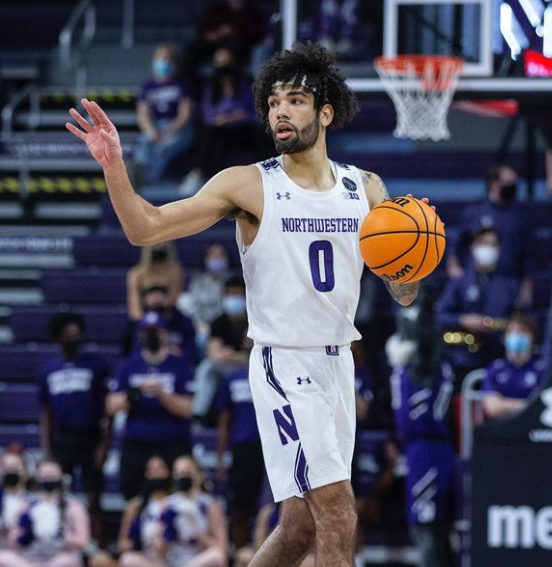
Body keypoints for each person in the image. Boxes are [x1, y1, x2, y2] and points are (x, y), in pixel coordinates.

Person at [67, 41, 426, 567]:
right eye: (274, 102)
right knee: (339, 510)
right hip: (284, 361)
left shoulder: (366, 188)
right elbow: (146, 228)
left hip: (338, 364)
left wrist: (412, 263)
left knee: (300, 527)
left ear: (325, 113)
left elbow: (403, 291)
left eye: (296, 100)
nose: (281, 111)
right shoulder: (249, 185)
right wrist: (114, 165)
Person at [387, 285, 456, 567]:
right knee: (429, 525)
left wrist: (425, 305)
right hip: (419, 450)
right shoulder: (403, 369)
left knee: (428, 526)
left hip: (430, 449)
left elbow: (428, 341)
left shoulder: (428, 367)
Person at [38, 312, 111, 546]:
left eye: (76, 333)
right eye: (68, 334)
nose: (73, 338)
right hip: (61, 439)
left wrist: (104, 445)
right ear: (58, 338)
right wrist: (47, 452)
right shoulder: (48, 370)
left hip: (89, 437)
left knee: (94, 498)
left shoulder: (96, 365)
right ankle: (59, 544)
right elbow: (45, 415)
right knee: (57, 497)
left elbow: (108, 410)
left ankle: (98, 549)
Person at [107, 311, 194, 500]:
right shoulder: (128, 365)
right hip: (137, 441)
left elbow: (188, 408)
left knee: (179, 494)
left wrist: (161, 393)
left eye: (156, 331)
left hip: (173, 440)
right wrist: (136, 393)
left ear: (165, 334)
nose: (152, 336)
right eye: (147, 332)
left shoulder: (180, 365)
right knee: (133, 495)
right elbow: (111, 405)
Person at [436, 227, 519, 384]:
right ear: (473, 247)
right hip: (462, 359)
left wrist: (502, 325)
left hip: (499, 358)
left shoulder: (509, 285)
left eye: (493, 244)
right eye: (483, 243)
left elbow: (521, 319)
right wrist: (463, 320)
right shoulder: (459, 282)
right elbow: (440, 315)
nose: (488, 249)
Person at [180, 46, 267, 196]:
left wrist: (239, 116)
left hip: (244, 128)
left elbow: (255, 112)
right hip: (220, 128)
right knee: (209, 134)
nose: (224, 66)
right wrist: (223, 118)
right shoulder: (211, 87)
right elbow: (208, 115)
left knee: (260, 133)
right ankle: (199, 173)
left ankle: (265, 175)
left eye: (227, 61)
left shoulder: (246, 84)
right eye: (220, 61)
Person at [446, 164, 533, 306]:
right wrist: (453, 265)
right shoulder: (475, 212)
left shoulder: (520, 218)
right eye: (508, 182)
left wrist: (527, 285)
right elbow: (457, 241)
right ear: (494, 184)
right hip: (475, 278)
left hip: (508, 279)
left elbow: (527, 254)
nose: (512, 187)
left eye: (514, 183)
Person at [0, 460, 90, 567]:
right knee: (3, 558)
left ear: (61, 477)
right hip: (29, 559)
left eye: (52, 475)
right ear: (38, 478)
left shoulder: (73, 505)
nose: (48, 479)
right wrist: (29, 532)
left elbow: (83, 541)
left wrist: (59, 535)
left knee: (66, 561)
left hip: (59, 556)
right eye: (44, 475)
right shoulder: (27, 503)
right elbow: (13, 539)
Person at [89, 455, 172, 567]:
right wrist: (135, 542)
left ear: (169, 472)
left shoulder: (177, 503)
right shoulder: (135, 505)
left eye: (160, 468)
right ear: (146, 474)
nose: (155, 473)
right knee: (100, 560)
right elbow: (122, 544)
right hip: (144, 556)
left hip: (172, 556)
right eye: (151, 469)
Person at [192, 276, 251, 427]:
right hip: (228, 366)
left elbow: (254, 356)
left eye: (237, 294)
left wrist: (233, 355)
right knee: (207, 367)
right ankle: (199, 413)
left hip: (250, 367)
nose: (233, 299)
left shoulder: (254, 321)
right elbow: (213, 353)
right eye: (230, 294)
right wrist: (231, 355)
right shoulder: (219, 322)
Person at [217, 365, 264, 549]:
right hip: (243, 449)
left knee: (274, 507)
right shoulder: (233, 378)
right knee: (240, 509)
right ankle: (240, 555)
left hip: (275, 446)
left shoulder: (281, 372)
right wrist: (220, 458)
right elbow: (224, 419)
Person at [134, 44, 195, 184]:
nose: (165, 62)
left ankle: (151, 181)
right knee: (144, 143)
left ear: (175, 63)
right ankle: (139, 172)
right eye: (161, 59)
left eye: (169, 59)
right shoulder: (147, 86)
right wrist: (152, 133)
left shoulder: (183, 85)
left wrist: (168, 131)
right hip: (155, 126)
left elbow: (185, 115)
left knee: (163, 148)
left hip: (179, 128)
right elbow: (143, 115)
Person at [160, 455, 227, 567]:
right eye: (178, 473)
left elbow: (222, 547)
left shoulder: (209, 504)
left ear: (199, 475)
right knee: (130, 559)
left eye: (187, 472)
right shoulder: (167, 504)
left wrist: (198, 534)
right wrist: (167, 532)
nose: (182, 477)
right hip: (172, 559)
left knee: (217, 556)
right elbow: (160, 551)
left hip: (199, 560)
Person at [482, 313, 547, 419]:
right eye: (511, 331)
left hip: (532, 425)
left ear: (533, 338)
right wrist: (529, 405)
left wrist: (504, 404)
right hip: (501, 426)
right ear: (504, 338)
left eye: (523, 331)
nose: (517, 335)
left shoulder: (542, 370)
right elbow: (492, 408)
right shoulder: (495, 369)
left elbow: (545, 406)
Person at [123, 285, 197, 364]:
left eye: (160, 306)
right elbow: (132, 353)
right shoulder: (138, 324)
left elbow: (190, 351)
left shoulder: (182, 321)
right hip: (145, 365)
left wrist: (174, 353)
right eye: (154, 307)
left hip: (176, 364)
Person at [127, 242, 185, 322]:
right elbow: (134, 307)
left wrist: (162, 301)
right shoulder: (136, 274)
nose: (159, 249)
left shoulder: (174, 270)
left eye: (162, 246)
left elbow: (175, 297)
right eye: (155, 246)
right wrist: (145, 320)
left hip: (168, 312)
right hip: (145, 312)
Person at [0, 449, 30, 550]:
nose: (11, 471)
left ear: (25, 472)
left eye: (15, 467)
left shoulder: (34, 501)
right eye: (7, 468)